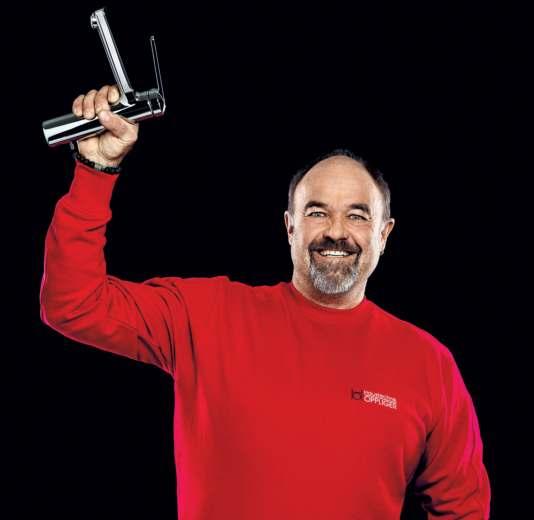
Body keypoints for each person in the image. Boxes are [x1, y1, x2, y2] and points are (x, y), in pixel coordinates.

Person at [40, 84, 491, 519]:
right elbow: (73, 304)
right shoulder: (209, 316)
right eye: (317, 212)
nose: (336, 231)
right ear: (290, 227)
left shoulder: (428, 365)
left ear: (384, 234)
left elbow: (464, 507)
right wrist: (96, 169)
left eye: (357, 215)